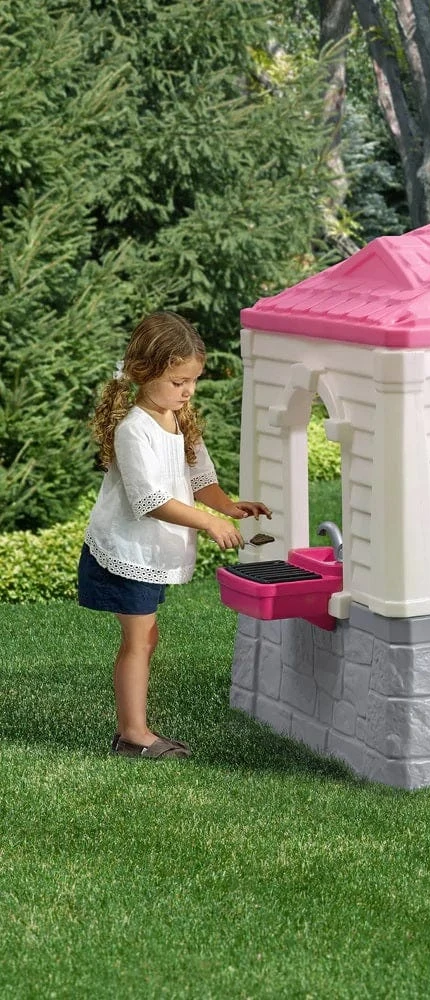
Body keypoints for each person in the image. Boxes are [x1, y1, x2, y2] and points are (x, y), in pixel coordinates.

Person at [77, 311, 271, 759]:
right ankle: (133, 735)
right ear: (145, 373)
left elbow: (200, 479)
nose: (188, 391)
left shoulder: (179, 419)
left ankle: (133, 729)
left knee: (146, 637)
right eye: (178, 381)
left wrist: (228, 507)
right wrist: (209, 523)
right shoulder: (134, 430)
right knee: (139, 638)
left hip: (147, 552)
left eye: (193, 381)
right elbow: (151, 500)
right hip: (125, 551)